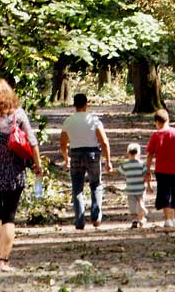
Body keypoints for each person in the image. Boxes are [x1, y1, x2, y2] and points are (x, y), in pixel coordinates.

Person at [0, 78, 42, 271]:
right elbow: (32, 141)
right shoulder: (18, 114)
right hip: (14, 168)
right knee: (9, 216)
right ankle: (5, 260)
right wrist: (37, 165)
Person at [60, 92, 113, 230]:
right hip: (93, 154)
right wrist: (108, 161)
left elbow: (63, 144)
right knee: (95, 184)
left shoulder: (68, 121)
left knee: (77, 188)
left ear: (74, 105)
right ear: (86, 104)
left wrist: (66, 159)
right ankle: (96, 215)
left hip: (75, 155)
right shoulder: (94, 120)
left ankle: (79, 220)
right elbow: (104, 142)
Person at [145, 108, 175, 229]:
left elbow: (150, 154)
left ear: (157, 122)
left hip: (161, 170)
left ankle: (167, 219)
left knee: (163, 193)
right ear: (168, 119)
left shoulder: (156, 135)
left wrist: (147, 169)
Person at [117, 142, 148, 228]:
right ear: (138, 153)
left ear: (127, 153)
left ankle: (134, 220)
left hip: (130, 189)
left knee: (132, 205)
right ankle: (141, 218)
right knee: (140, 201)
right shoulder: (142, 164)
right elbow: (146, 175)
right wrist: (148, 184)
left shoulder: (125, 165)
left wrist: (109, 171)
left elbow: (118, 172)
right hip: (140, 188)